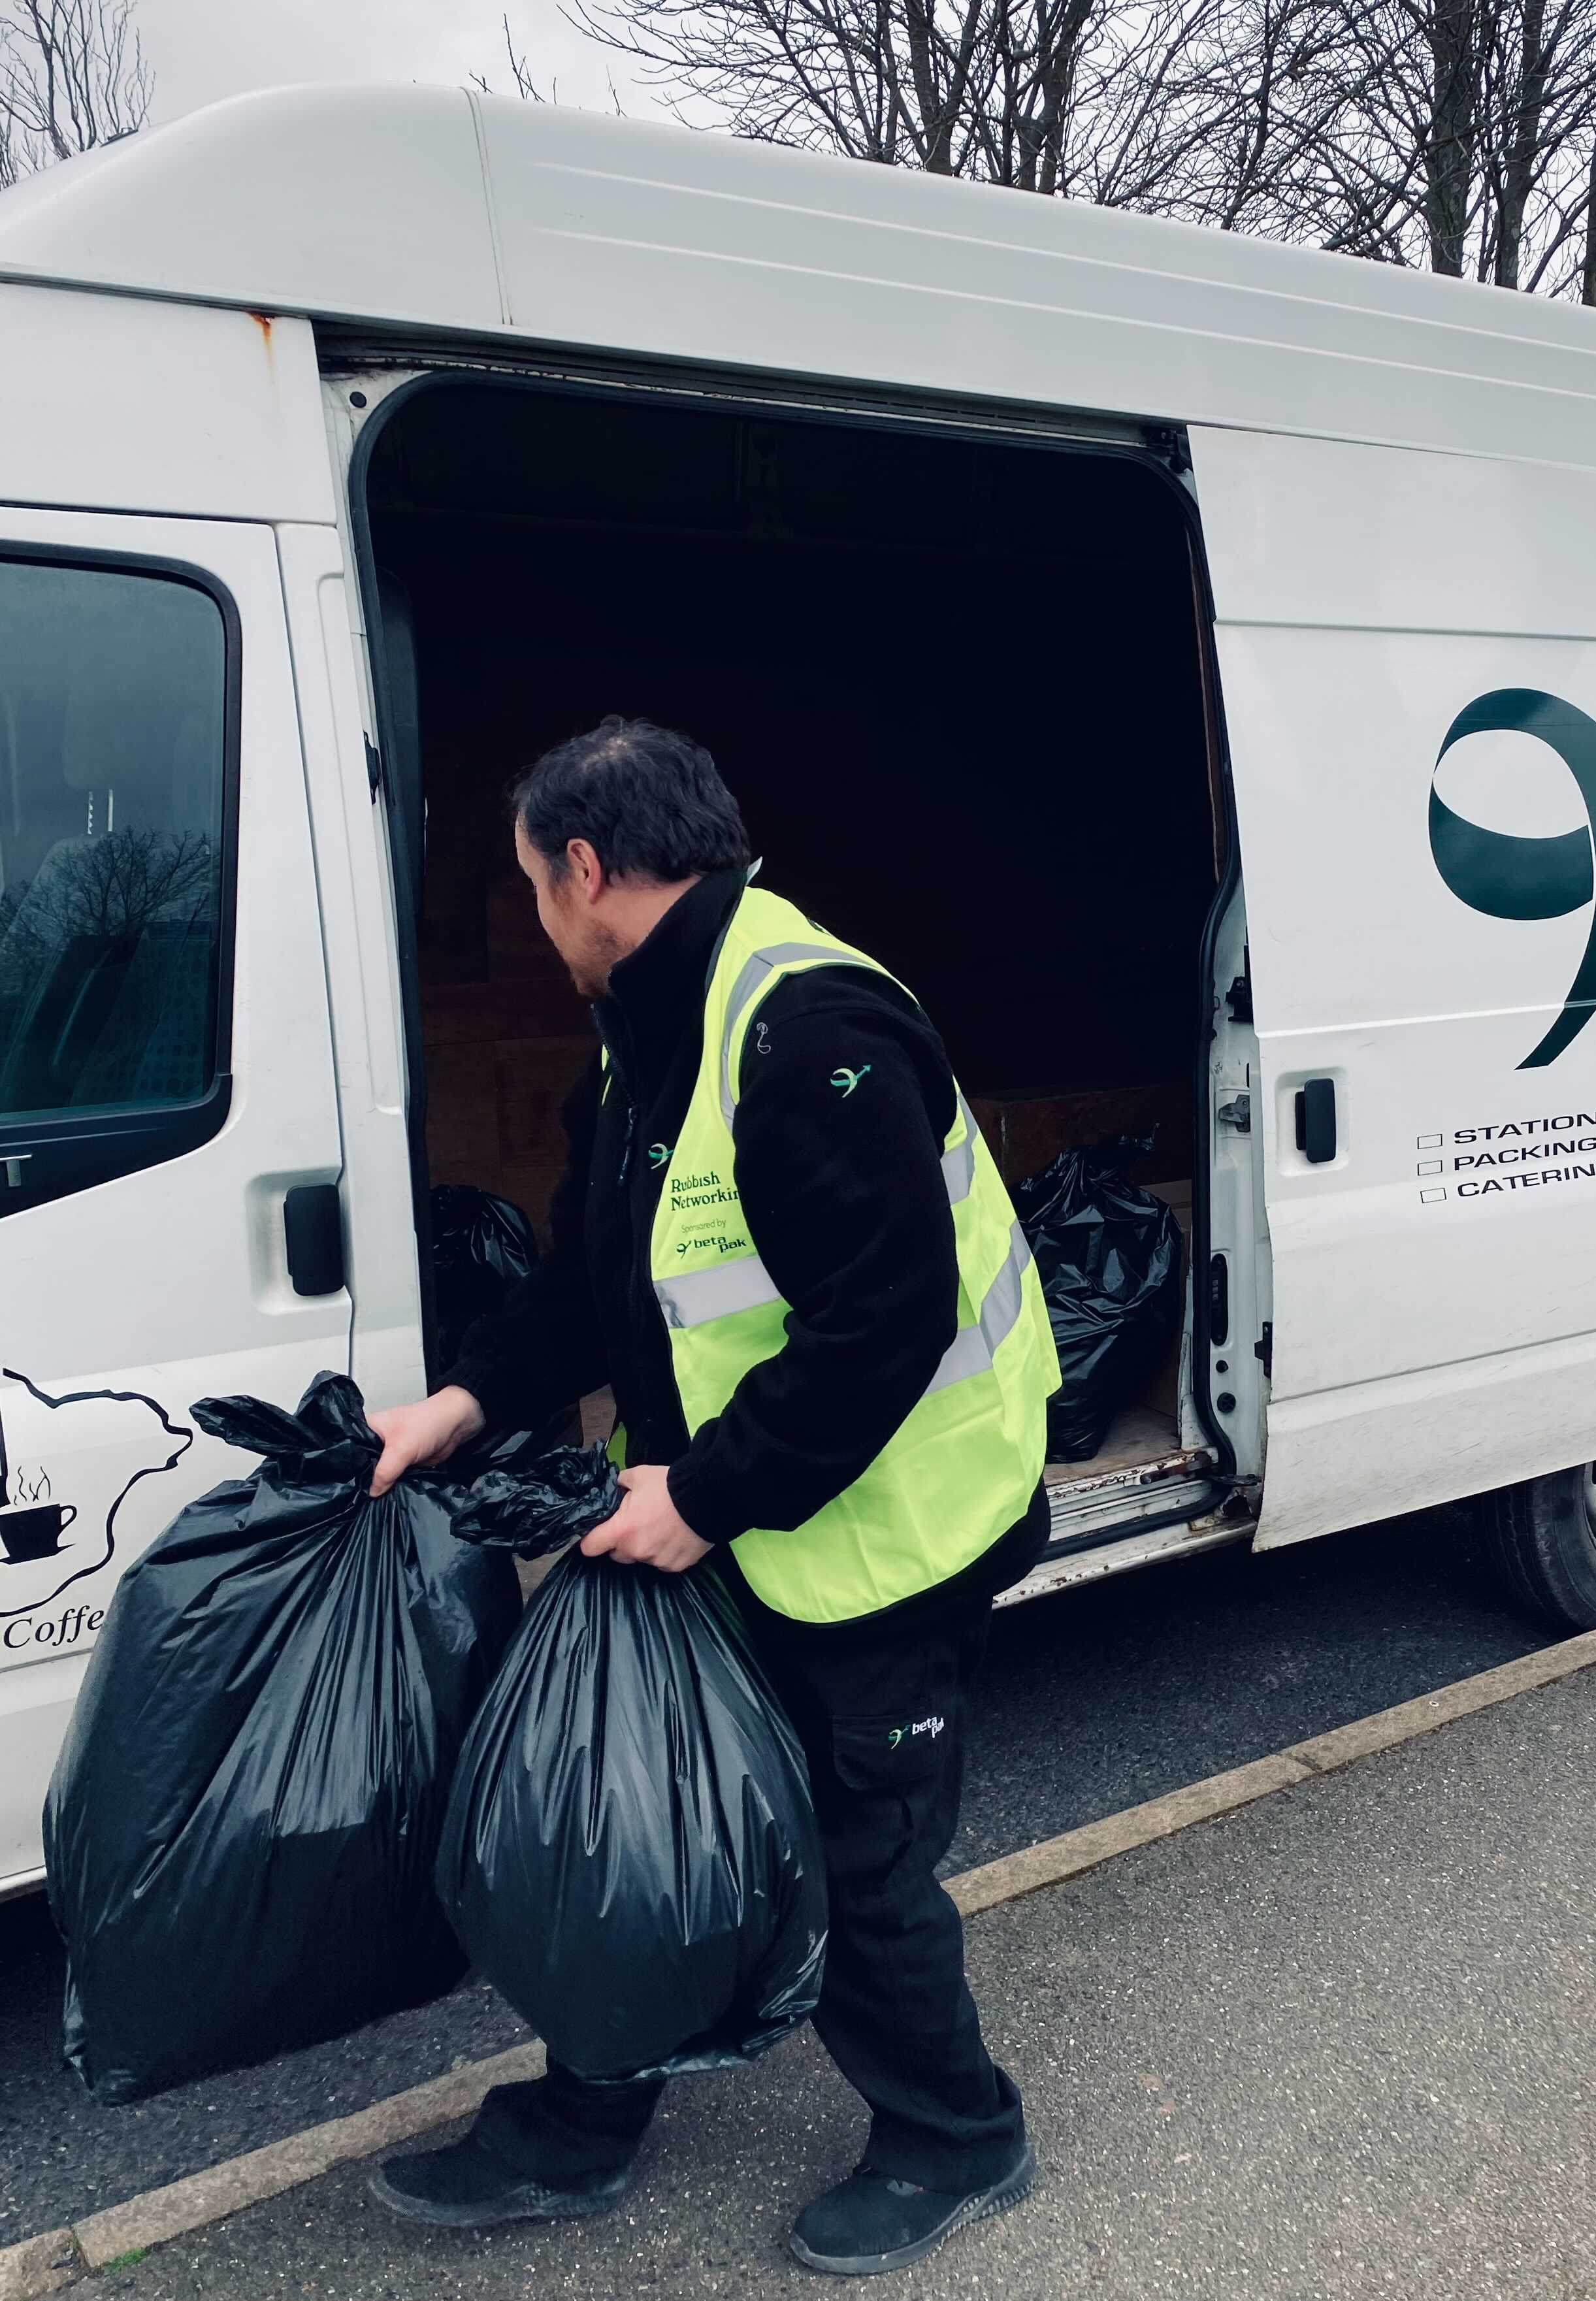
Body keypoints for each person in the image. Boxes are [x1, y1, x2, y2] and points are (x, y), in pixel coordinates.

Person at [364, 717, 1059, 2276]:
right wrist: (465, 1404)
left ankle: (961, 2135)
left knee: (857, 1862)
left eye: (536, 885)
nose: (538, 919)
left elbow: (888, 1323)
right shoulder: (649, 1030)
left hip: (894, 1535)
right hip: (742, 1516)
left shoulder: (807, 1027)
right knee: (650, 1815)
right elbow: (599, 1285)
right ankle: (585, 2124)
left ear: (589, 871)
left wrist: (710, 1495)